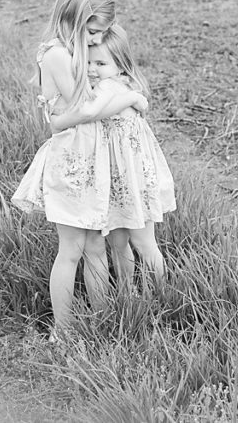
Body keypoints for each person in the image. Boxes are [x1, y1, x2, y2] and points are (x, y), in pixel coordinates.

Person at [10, 0, 148, 332]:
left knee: (95, 247)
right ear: (73, 15)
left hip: (90, 159)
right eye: (92, 31)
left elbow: (82, 109)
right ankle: (64, 329)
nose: (95, 40)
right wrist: (132, 98)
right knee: (70, 249)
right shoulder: (56, 53)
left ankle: (101, 319)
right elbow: (86, 109)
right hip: (72, 162)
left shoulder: (74, 50)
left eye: (100, 34)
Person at [52, 24, 175, 291]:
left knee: (143, 242)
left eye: (101, 63)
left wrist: (57, 120)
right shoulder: (121, 86)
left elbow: (90, 109)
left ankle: (163, 293)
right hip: (119, 177)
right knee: (119, 241)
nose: (93, 69)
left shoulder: (110, 87)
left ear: (120, 65)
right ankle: (126, 291)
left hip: (131, 180)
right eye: (88, 62)